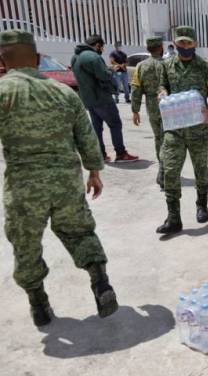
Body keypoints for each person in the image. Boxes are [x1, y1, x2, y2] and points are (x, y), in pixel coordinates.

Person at [0, 30, 118, 327]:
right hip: (66, 180)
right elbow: (87, 138)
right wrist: (94, 172)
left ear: (3, 60)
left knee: (25, 242)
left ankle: (38, 303)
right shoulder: (64, 92)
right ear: (37, 59)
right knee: (79, 231)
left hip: (24, 185)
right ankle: (100, 282)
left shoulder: (3, 92)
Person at [157, 26, 208, 234]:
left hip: (197, 129)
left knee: (201, 170)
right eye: (181, 43)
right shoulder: (166, 65)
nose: (185, 46)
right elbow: (161, 86)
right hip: (174, 129)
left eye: (189, 43)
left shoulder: (206, 66)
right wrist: (162, 93)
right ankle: (173, 217)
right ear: (175, 43)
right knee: (169, 171)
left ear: (195, 43)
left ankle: (202, 204)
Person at [71, 34, 139, 162]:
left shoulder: (75, 58)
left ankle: (100, 155)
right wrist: (111, 71)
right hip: (102, 98)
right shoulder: (93, 57)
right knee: (115, 124)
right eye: (101, 47)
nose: (102, 50)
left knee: (97, 128)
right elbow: (103, 76)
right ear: (97, 45)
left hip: (88, 99)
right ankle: (121, 154)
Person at [131, 36, 166, 188]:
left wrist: (135, 110)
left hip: (151, 104)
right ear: (160, 48)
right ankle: (164, 171)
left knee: (158, 137)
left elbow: (136, 89)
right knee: (169, 138)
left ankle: (162, 168)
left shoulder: (140, 66)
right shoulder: (166, 64)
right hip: (167, 103)